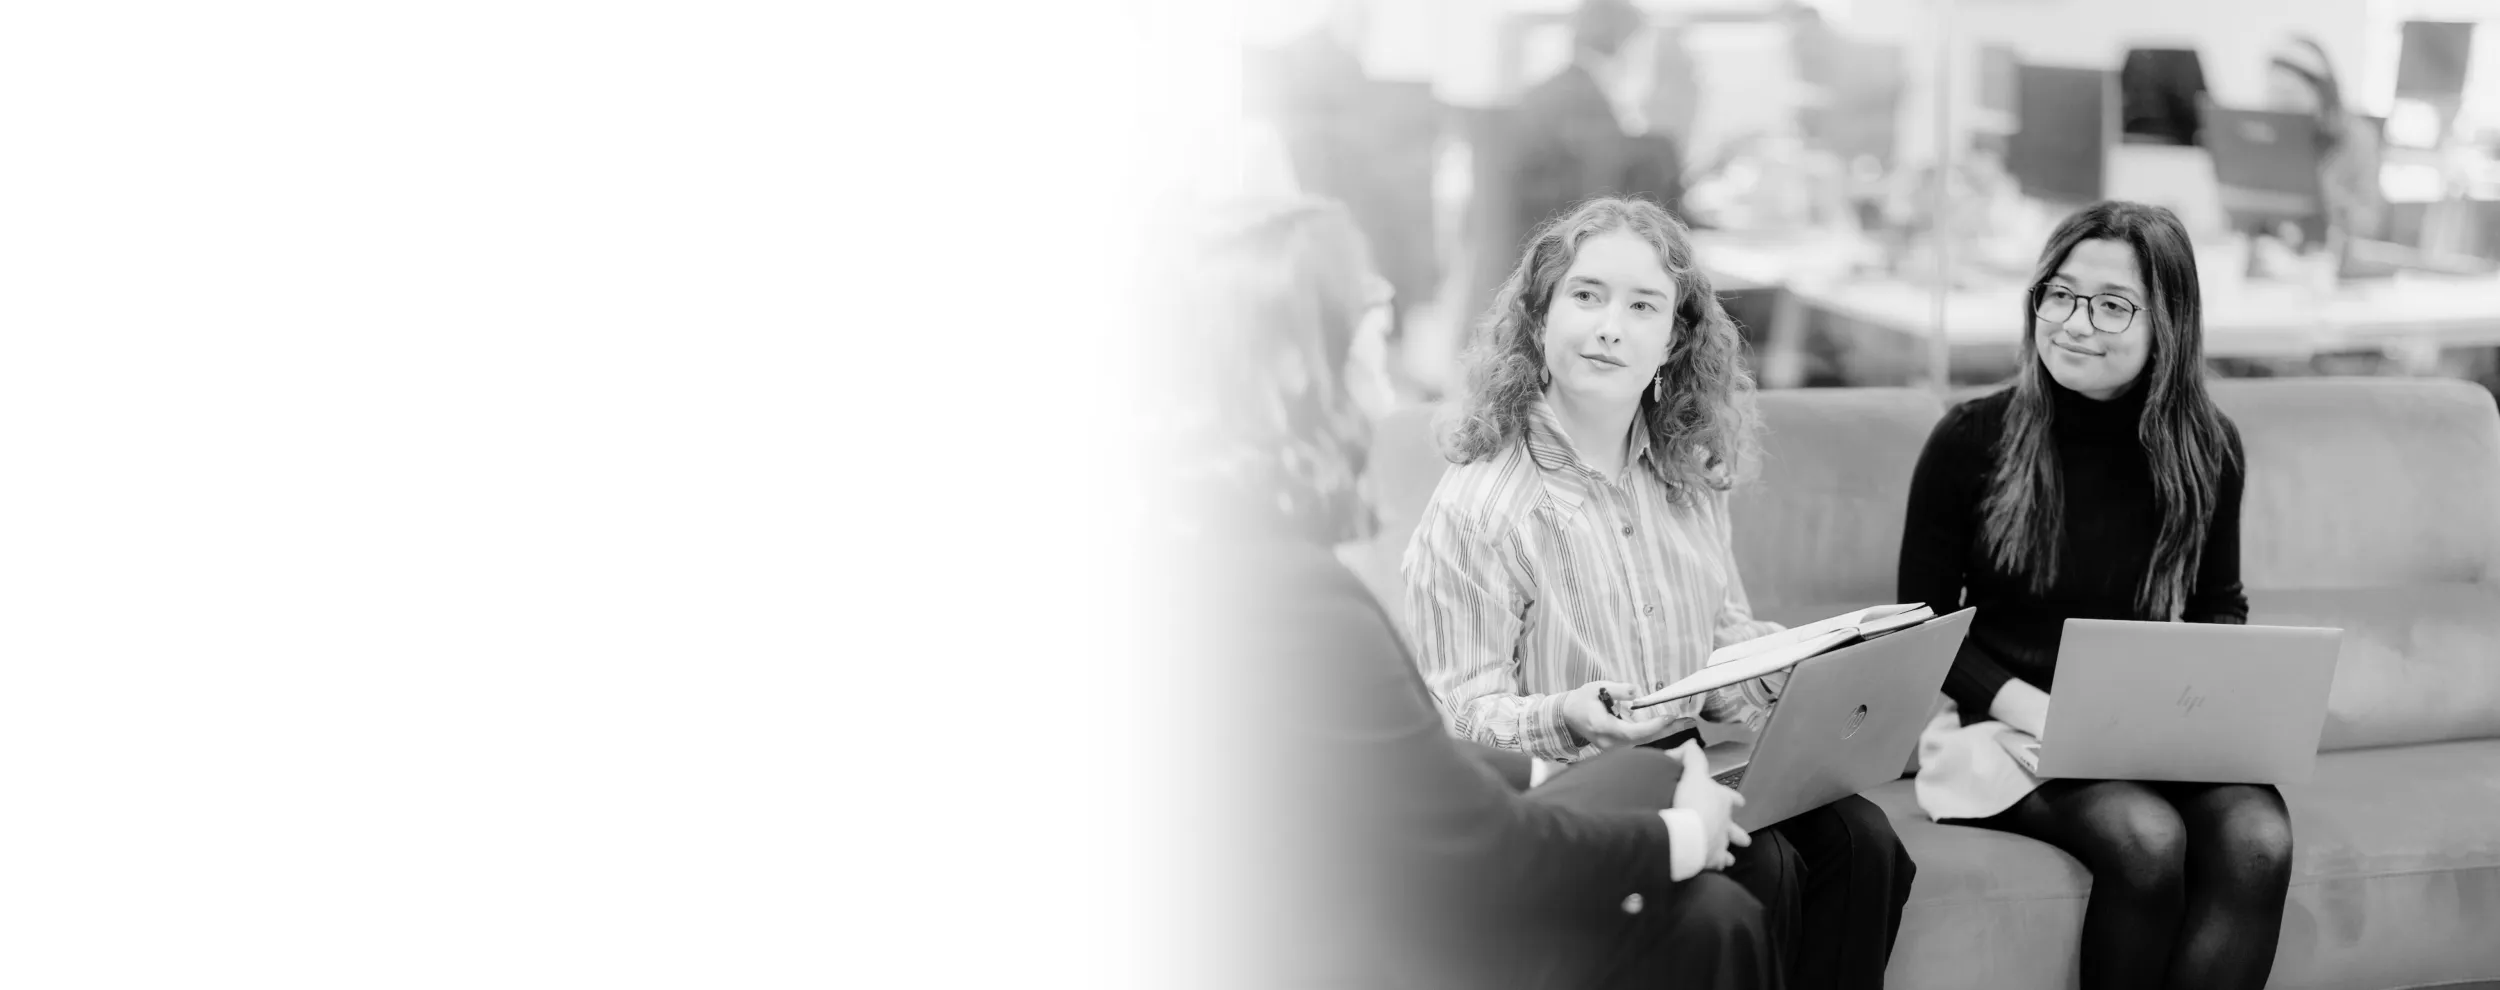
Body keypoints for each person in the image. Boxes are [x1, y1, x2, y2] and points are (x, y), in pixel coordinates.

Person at [1151, 193, 1780, 989]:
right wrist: (1675, 834)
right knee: (1721, 913)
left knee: (1790, 862)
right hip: (1352, 927)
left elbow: (1408, 768)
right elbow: (1466, 828)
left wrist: (1571, 777)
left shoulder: (1247, 567)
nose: (1385, 385)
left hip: (1397, 864)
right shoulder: (1304, 601)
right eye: (1372, 332)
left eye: (1643, 306)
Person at [1404, 195, 1913, 990]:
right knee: (1767, 866)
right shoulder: (1480, 508)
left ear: (1673, 341)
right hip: (1570, 791)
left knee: (1869, 844)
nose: (1610, 325)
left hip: (1694, 761)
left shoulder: (1688, 473)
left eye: (1642, 306)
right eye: (1586, 295)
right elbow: (1457, 728)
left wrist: (1800, 669)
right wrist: (1564, 715)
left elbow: (1721, 638)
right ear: (1539, 318)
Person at [1897, 200, 2288, 990]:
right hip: (2001, 726)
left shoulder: (2209, 449)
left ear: (2166, 325)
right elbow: (1926, 624)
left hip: (2142, 726)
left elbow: (2221, 602)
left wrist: (2191, 705)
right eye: (2059, 294)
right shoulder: (1972, 438)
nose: (2075, 323)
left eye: (2112, 305)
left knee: (2258, 840)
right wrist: (2034, 709)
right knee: (2145, 840)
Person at [2262, 35, 2385, 248]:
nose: (2282, 111)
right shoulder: (2269, 138)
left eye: (2289, 96)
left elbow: (2368, 225)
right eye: (2275, 99)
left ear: (2320, 93)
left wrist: (2321, 187)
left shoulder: (2357, 137)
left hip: (2334, 259)